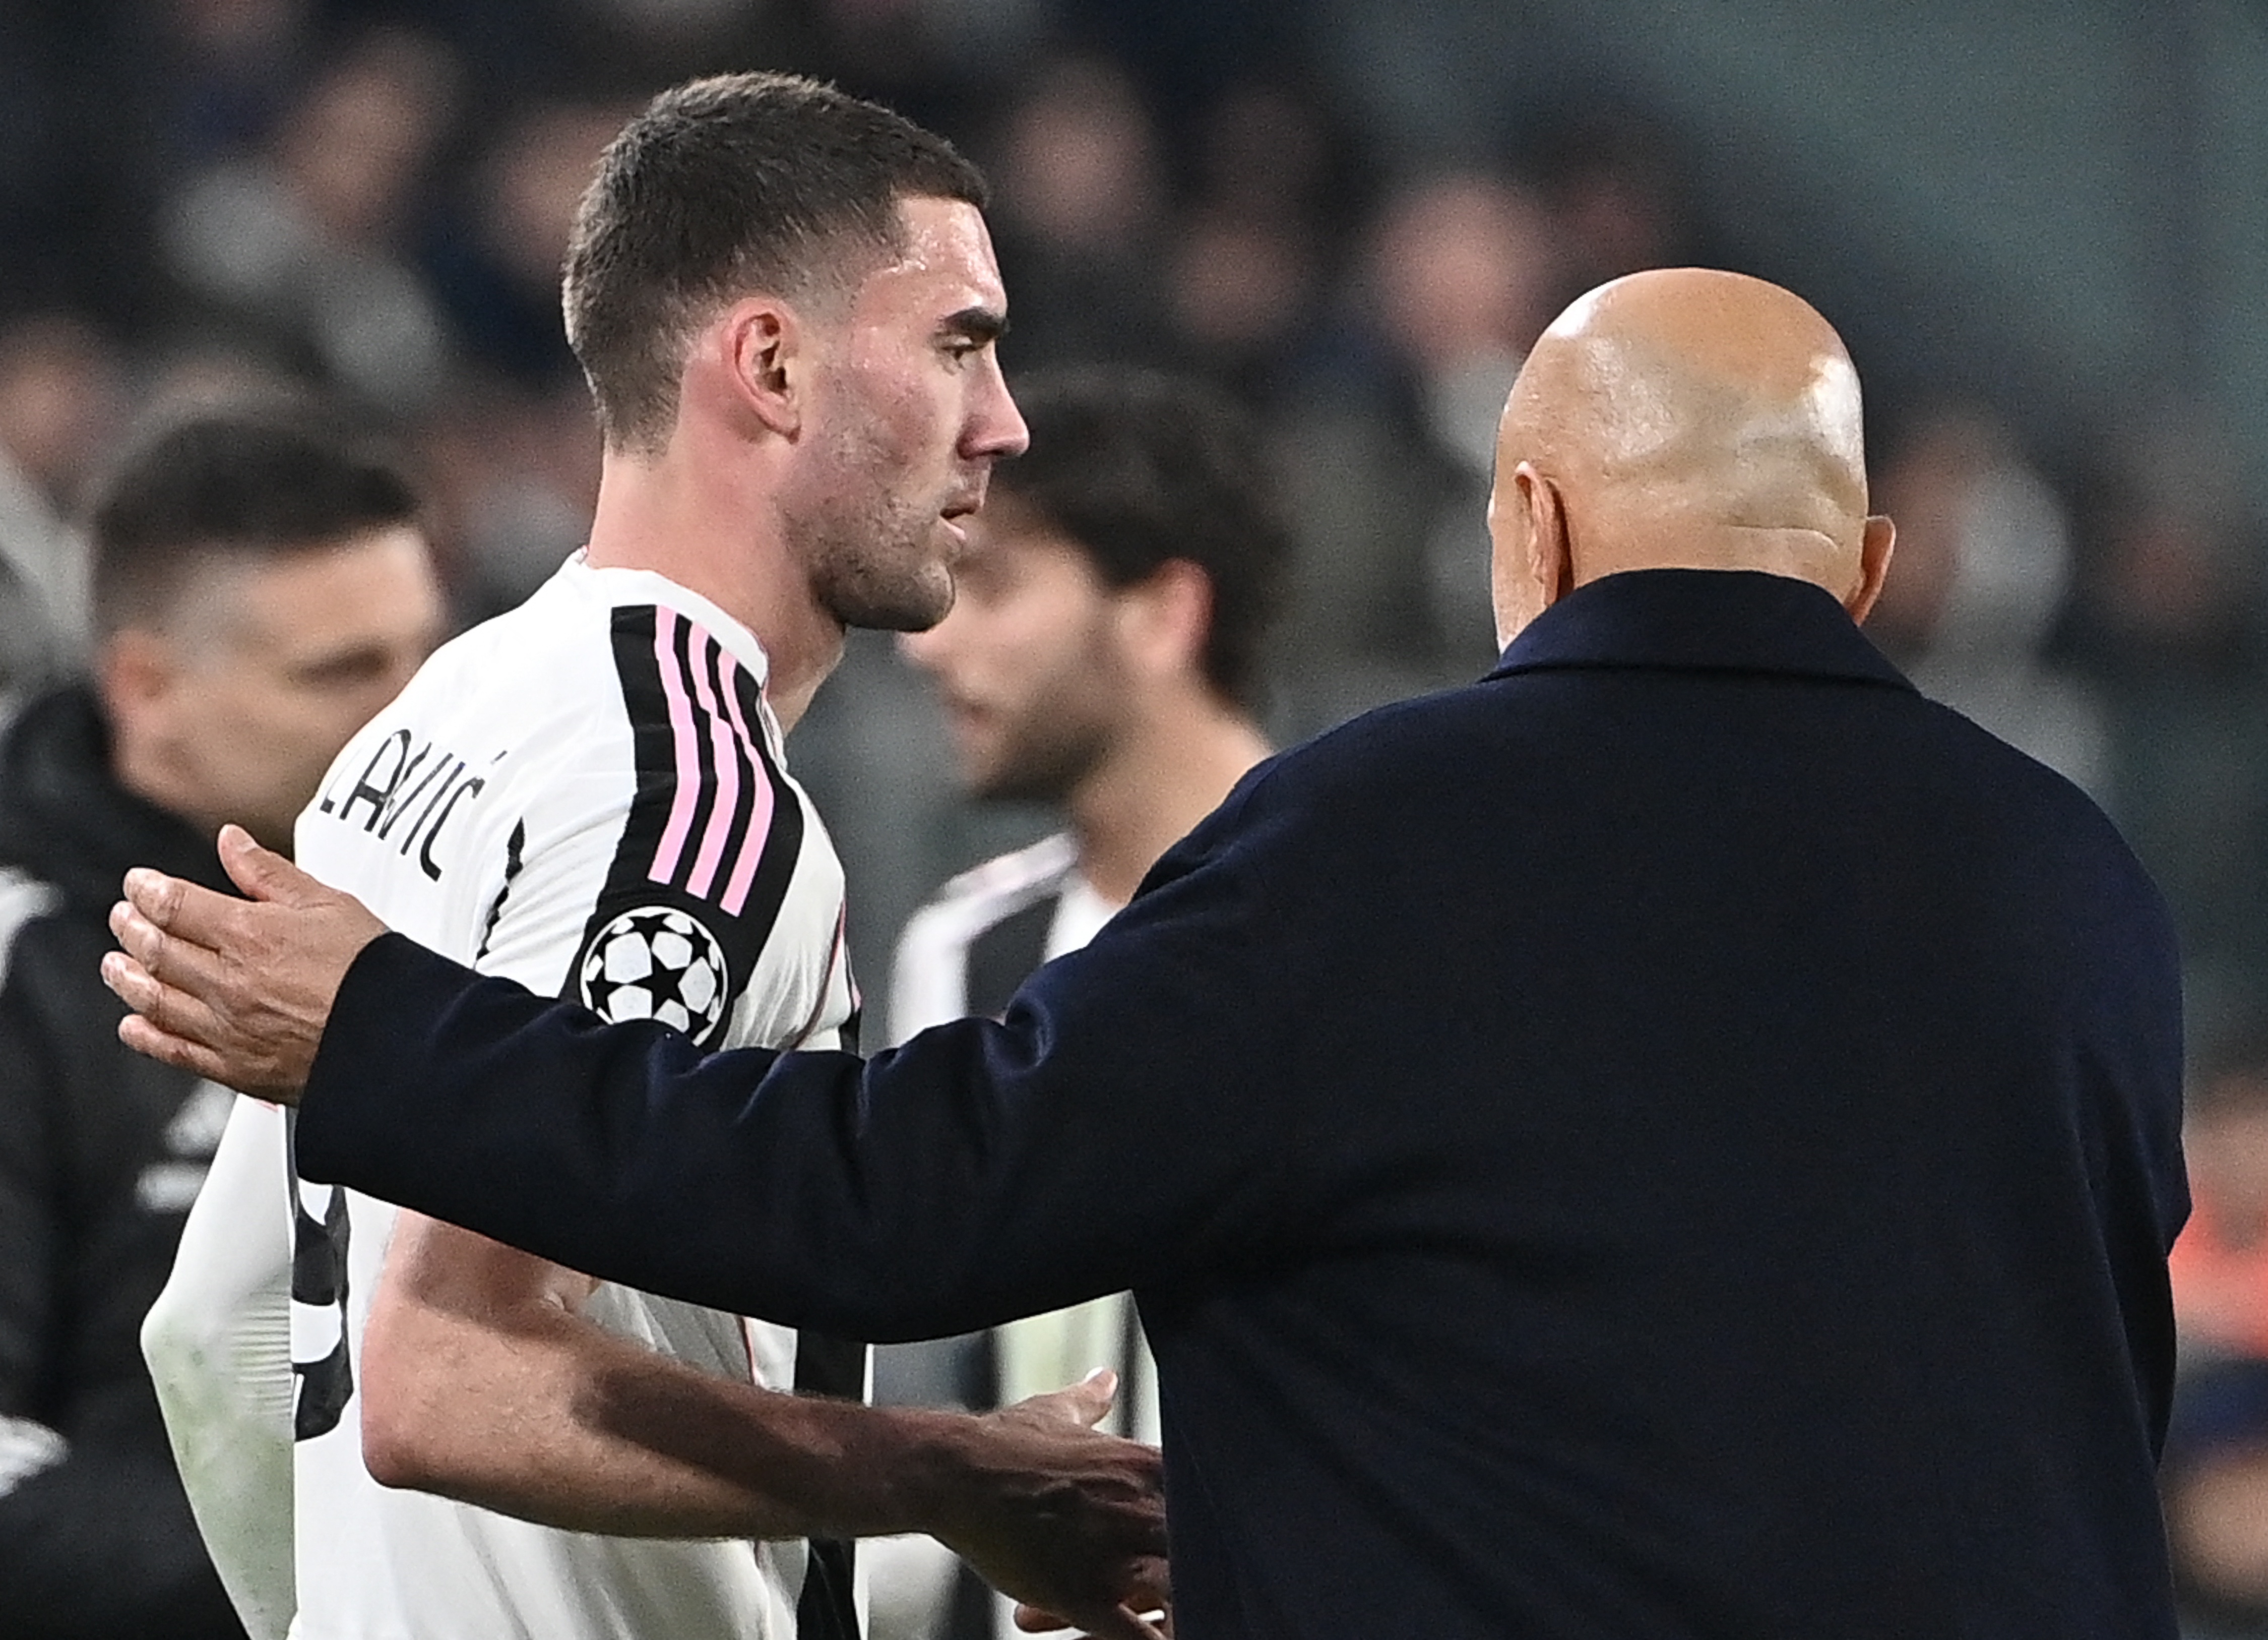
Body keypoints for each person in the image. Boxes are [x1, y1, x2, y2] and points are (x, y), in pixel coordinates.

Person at [106, 268, 2190, 1637]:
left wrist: (391, 1033)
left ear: (1529, 530)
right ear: (1869, 568)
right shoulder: (2078, 885)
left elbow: (897, 1200)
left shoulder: (1386, 841)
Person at [137, 72, 1165, 1640]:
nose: (1002, 420)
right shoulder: (685, 790)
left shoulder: (451, 708)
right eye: (958, 343)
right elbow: (446, 1371)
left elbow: (219, 1332)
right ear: (771, 365)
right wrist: (948, 1470)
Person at [0, 407, 447, 1638]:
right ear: (148, 687)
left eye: (428, 656)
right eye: (344, 672)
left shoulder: (456, 926)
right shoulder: (27, 972)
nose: (416, 720)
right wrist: (346, 1592)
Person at [876, 367, 1285, 1639]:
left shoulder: (1375, 931)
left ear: (1162, 613)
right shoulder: (967, 953)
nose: (931, 640)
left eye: (995, 584)